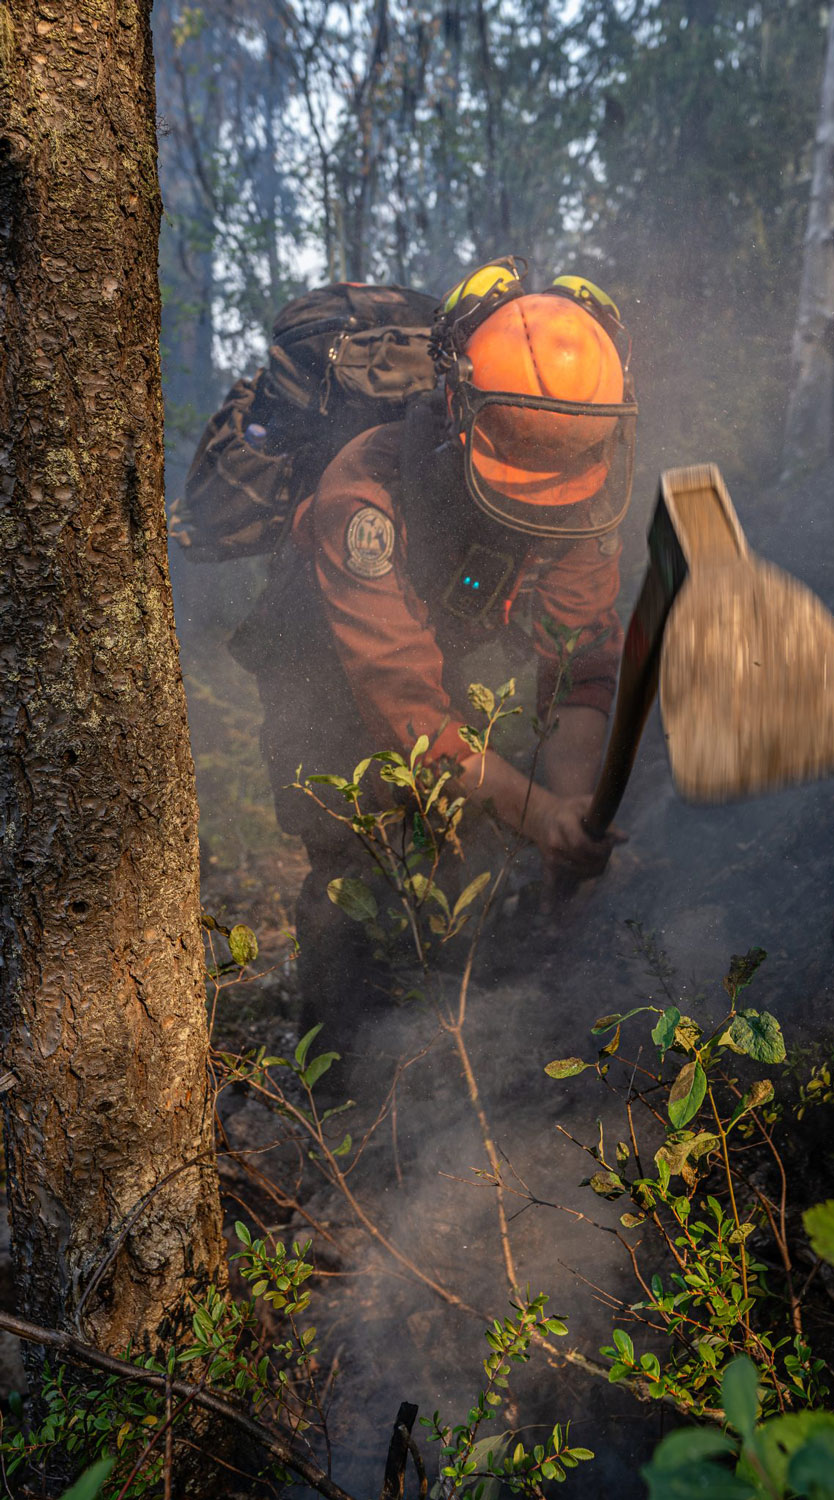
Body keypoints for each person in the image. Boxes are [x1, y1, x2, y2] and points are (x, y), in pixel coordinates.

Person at [226, 259, 639, 1039]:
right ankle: (339, 1073)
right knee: (354, 859)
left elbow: (579, 658)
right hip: (322, 661)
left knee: (475, 829)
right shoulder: (364, 496)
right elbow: (410, 715)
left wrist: (571, 806)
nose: (540, 511)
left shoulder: (586, 478)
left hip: (449, 641)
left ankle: (466, 1012)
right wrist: (540, 810)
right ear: (458, 408)